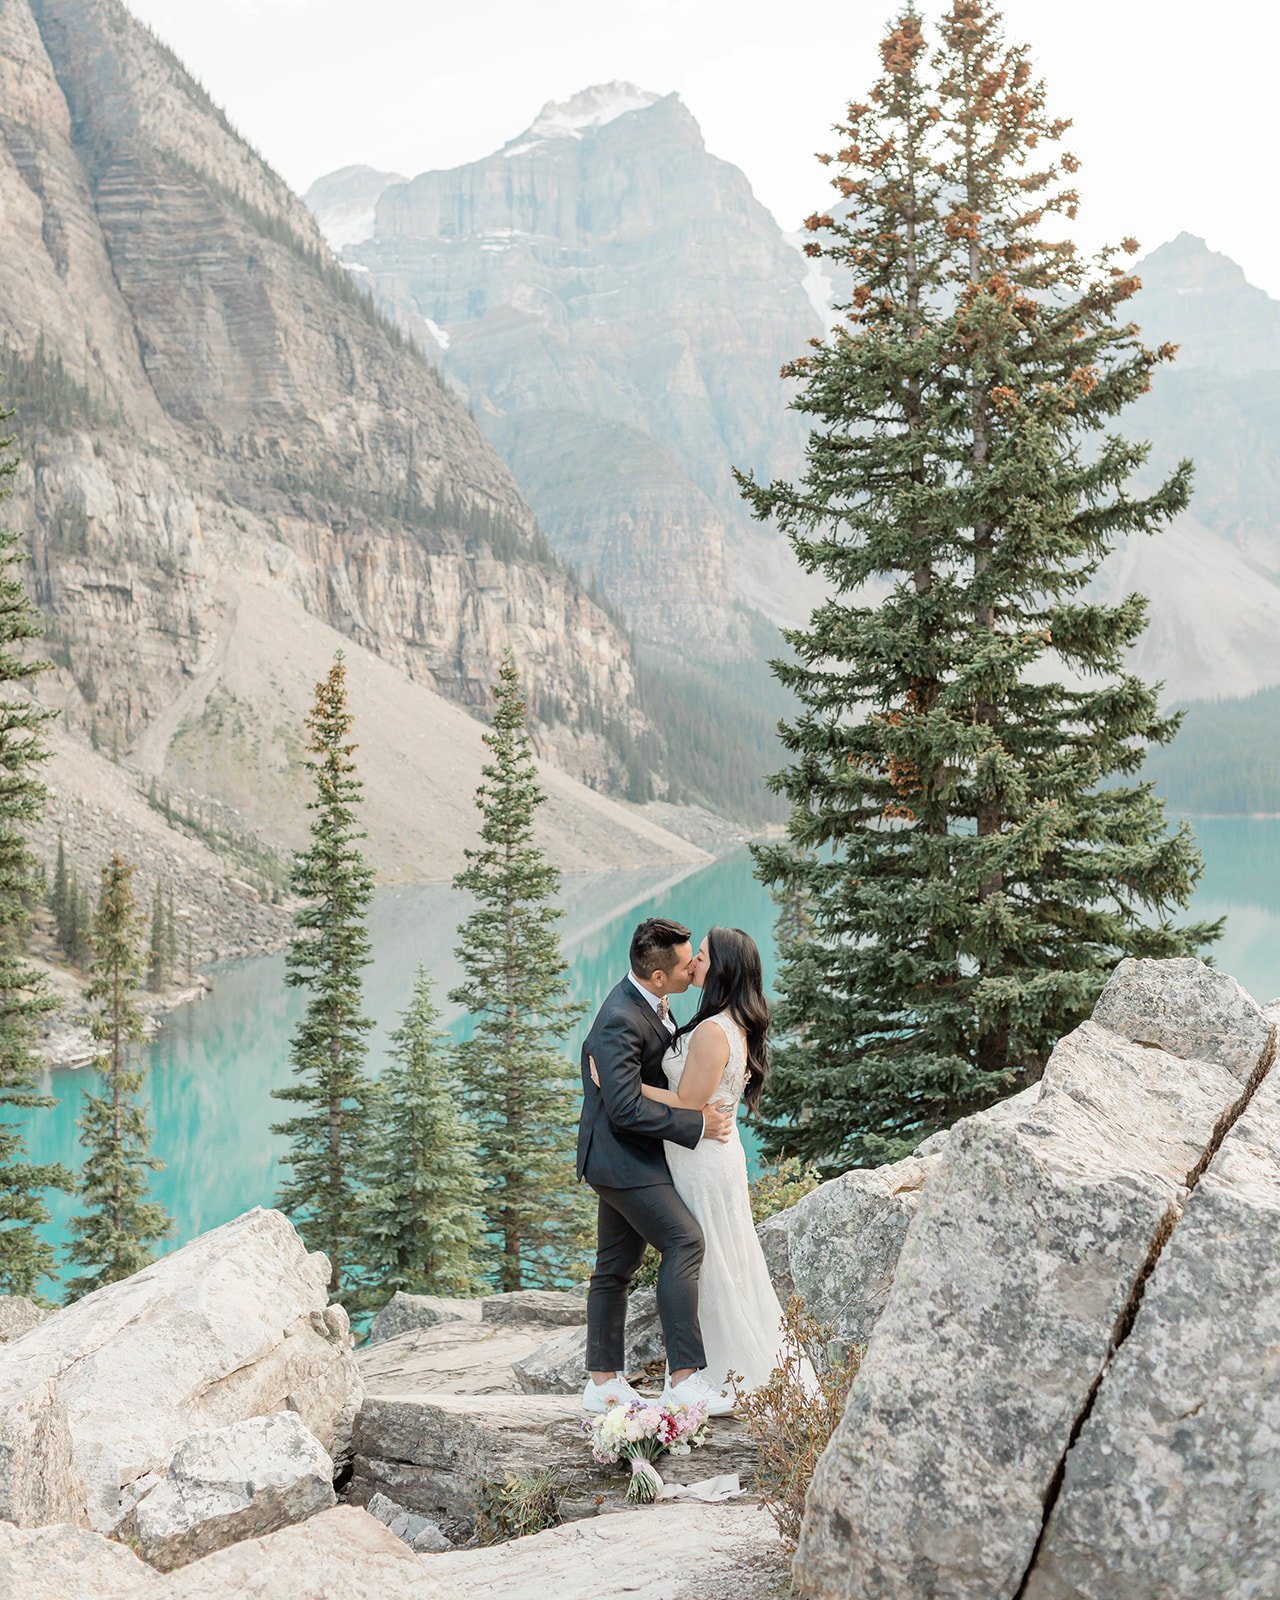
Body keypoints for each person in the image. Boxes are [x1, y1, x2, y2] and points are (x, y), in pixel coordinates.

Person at [576, 916, 736, 1416]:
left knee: (615, 1267)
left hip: (635, 1154)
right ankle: (685, 1379)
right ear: (659, 977)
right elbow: (623, 1108)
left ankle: (602, 1384)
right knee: (684, 1240)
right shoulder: (621, 1017)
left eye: (696, 957)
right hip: (622, 1159)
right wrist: (696, 1126)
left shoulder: (657, 1001)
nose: (694, 966)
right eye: (686, 964)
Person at [635, 926, 792, 1393]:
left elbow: (686, 1099)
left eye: (701, 956)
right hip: (710, 1153)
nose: (693, 962)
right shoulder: (728, 1022)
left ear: (721, 966)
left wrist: (624, 1088)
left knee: (710, 1261)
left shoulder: (711, 1029)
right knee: (720, 1257)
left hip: (701, 1160)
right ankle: (721, 1371)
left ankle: (722, 1376)